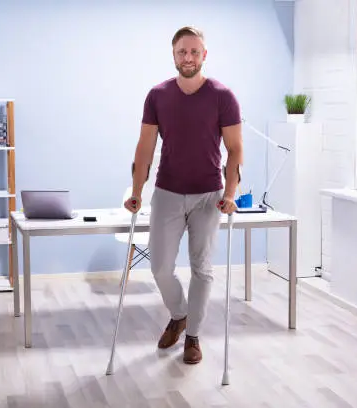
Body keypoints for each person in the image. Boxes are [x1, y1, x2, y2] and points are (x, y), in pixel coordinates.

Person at [124, 26, 243, 365]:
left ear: (204, 55)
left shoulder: (223, 96)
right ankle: (179, 315)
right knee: (160, 268)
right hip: (168, 192)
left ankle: (193, 337)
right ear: (173, 55)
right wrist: (136, 192)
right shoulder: (157, 95)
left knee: (202, 269)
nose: (188, 58)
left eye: (194, 52)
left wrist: (230, 193)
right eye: (182, 52)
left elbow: (235, 150)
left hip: (209, 196)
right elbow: (145, 147)